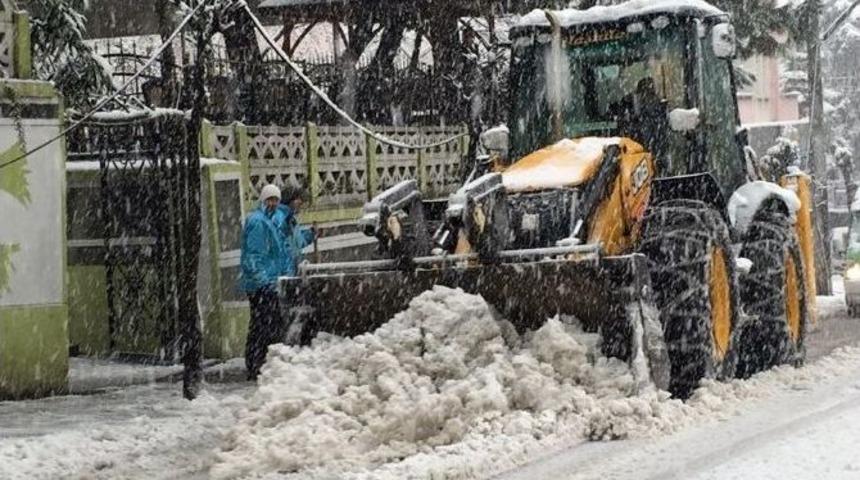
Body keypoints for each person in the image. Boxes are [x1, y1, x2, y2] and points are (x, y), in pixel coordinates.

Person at [239, 184, 288, 380]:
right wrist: (263, 281)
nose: (273, 203)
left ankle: (260, 364)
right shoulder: (258, 222)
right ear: (263, 200)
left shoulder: (269, 220)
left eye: (276, 199)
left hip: (267, 282)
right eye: (270, 199)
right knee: (262, 326)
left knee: (264, 325)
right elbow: (254, 255)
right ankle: (256, 365)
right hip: (260, 285)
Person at [278, 186, 316, 276]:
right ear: (291, 201)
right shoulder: (280, 220)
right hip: (283, 274)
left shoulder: (292, 221)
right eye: (298, 200)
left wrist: (311, 233)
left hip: (293, 272)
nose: (301, 204)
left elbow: (299, 242)